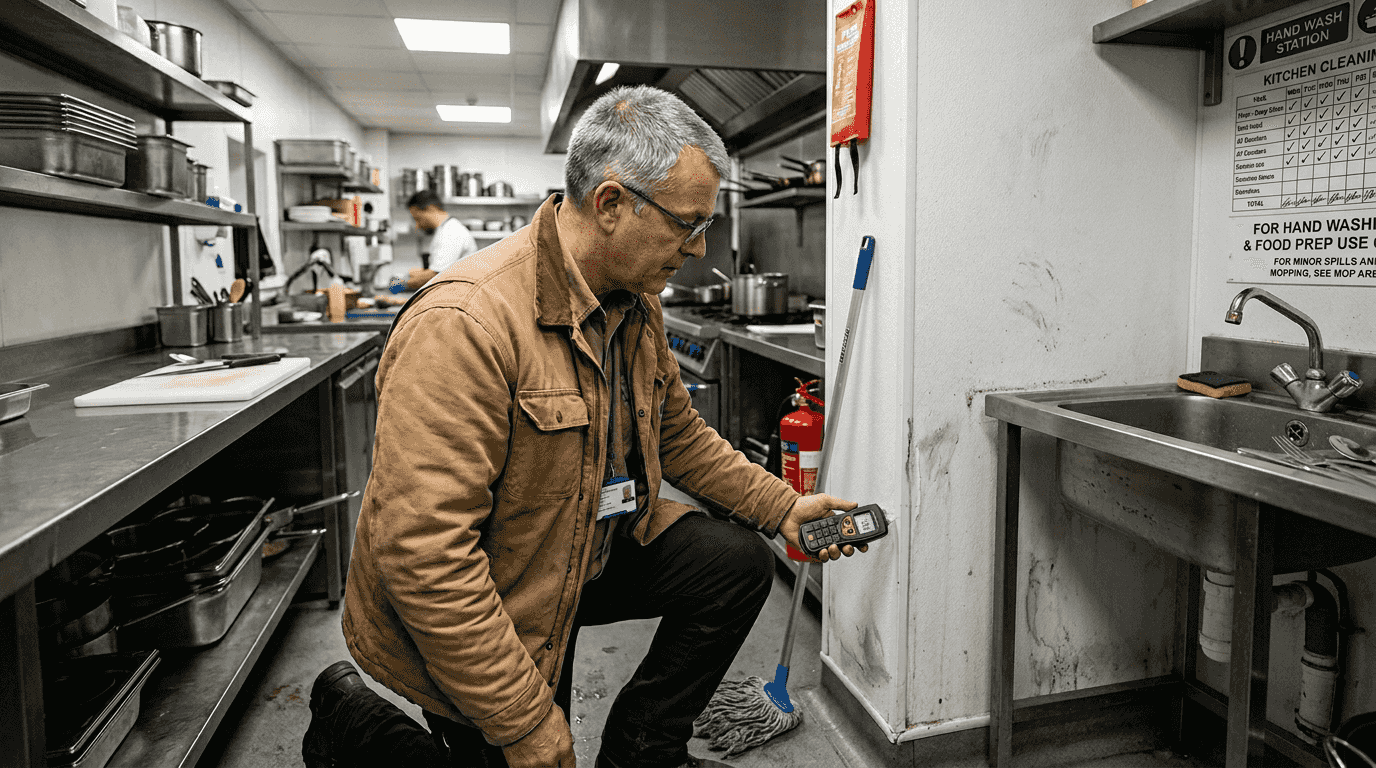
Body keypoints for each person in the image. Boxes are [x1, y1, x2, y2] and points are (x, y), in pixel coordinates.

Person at [303, 85, 867, 768]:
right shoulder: (464, 325)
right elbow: (426, 556)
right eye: (688, 225)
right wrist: (523, 721)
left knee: (736, 565)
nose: (698, 249)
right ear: (610, 204)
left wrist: (783, 508)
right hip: (487, 587)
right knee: (522, 745)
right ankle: (348, 718)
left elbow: (678, 435)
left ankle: (641, 753)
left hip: (581, 544)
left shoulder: (634, 300)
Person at [404, 189, 478, 289]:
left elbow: (435, 276)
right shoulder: (444, 229)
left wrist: (398, 286)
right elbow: (437, 270)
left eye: (418, 218)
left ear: (431, 209)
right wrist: (414, 274)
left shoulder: (451, 232)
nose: (418, 225)